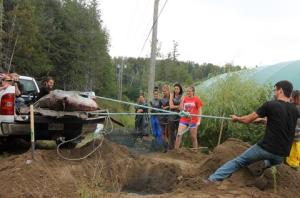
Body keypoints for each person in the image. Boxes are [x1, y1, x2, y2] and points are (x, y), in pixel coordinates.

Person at [206, 80, 300, 183]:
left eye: (275, 90)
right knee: (271, 162)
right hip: (281, 154)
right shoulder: (295, 110)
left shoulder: (270, 105)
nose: (274, 92)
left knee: (239, 161)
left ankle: (212, 179)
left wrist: (237, 118)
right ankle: (264, 165)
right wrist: (262, 120)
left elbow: (247, 119)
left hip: (265, 148)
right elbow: (280, 121)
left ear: (280, 90)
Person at [286, 90, 300, 168]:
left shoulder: (289, 107)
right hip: (294, 139)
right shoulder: (291, 108)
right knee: (293, 159)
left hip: (293, 139)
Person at [168, 83, 183, 150]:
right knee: (171, 132)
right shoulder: (171, 95)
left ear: (180, 90)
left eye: (177, 89)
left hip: (179, 116)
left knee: (179, 132)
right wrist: (177, 107)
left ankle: (178, 147)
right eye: (175, 88)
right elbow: (171, 106)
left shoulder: (182, 96)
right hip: (171, 116)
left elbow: (182, 107)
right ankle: (171, 147)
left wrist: (176, 107)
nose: (176, 90)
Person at [159, 84, 170, 151]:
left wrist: (167, 107)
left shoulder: (171, 98)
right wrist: (161, 107)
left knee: (168, 133)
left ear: (168, 91)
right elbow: (159, 106)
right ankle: (164, 146)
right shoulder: (162, 99)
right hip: (162, 117)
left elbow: (171, 106)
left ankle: (169, 146)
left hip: (168, 117)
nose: (164, 92)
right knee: (162, 132)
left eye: (165, 91)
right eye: (163, 91)